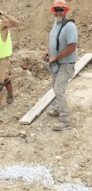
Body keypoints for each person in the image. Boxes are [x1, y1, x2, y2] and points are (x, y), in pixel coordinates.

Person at [46, 0, 77, 131]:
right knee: (55, 87)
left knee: (59, 89)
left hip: (66, 63)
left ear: (66, 11)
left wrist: (56, 56)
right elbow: (57, 42)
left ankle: (65, 121)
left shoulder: (69, 26)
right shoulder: (57, 24)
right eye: (56, 9)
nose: (58, 12)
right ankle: (59, 109)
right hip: (57, 63)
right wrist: (49, 53)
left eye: (61, 9)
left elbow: (72, 47)